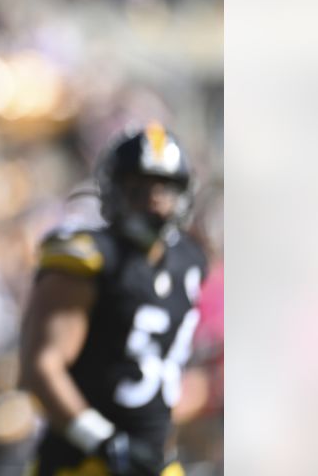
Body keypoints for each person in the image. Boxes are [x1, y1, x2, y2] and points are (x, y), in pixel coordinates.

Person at [18, 123, 208, 476]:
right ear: (114, 189)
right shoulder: (87, 257)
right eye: (139, 187)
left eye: (164, 188)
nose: (153, 199)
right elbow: (41, 368)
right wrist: (103, 441)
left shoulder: (190, 261)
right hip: (84, 463)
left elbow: (173, 368)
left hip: (156, 461)